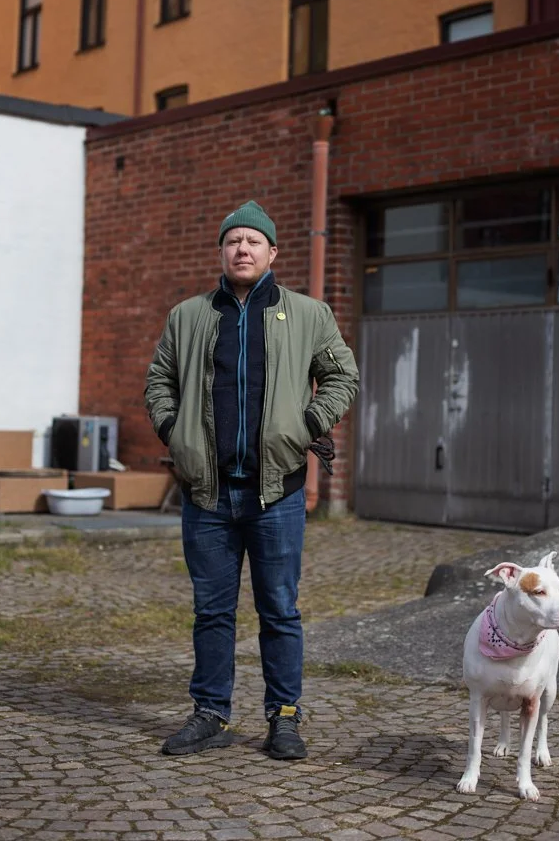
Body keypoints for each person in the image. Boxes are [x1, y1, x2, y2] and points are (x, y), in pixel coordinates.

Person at [144, 200, 359, 760]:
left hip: (276, 493)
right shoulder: (188, 315)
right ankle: (210, 711)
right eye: (233, 240)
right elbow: (159, 380)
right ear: (221, 251)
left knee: (279, 611)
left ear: (272, 253)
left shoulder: (308, 314)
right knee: (211, 611)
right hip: (207, 494)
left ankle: (283, 717)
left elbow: (342, 375)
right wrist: (176, 432)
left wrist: (306, 425)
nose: (242, 248)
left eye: (253, 241)